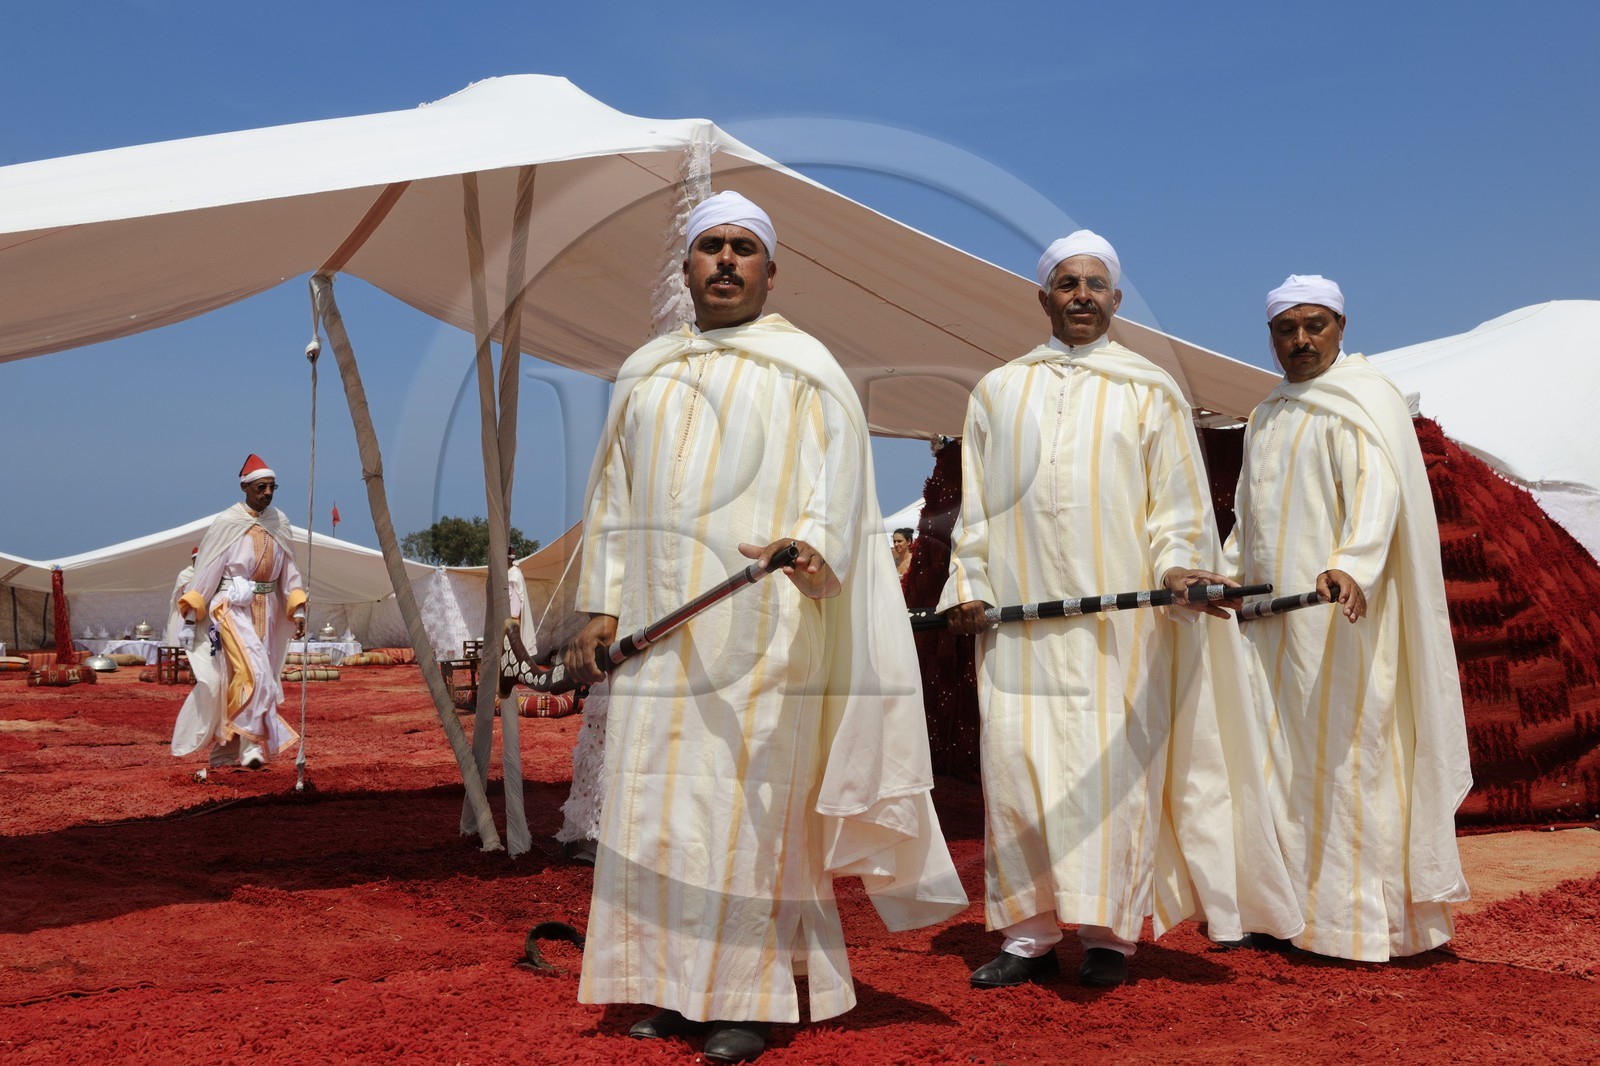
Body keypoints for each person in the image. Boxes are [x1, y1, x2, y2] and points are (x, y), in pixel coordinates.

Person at [564, 190, 966, 1062]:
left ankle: (746, 997)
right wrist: (602, 607)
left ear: (771, 271)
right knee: (658, 812)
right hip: (659, 639)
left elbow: (840, 485)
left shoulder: (806, 366)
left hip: (762, 635)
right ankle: (673, 986)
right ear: (685, 267)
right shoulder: (645, 370)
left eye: (742, 248)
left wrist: (813, 544)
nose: (725, 259)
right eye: (710, 246)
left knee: (745, 814)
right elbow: (614, 501)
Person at [937, 230, 1300, 990]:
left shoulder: (1150, 388)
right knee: (1019, 770)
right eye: (1068, 283)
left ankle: (1109, 935)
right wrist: (966, 586)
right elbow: (977, 511)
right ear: (1044, 297)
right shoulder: (998, 391)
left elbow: (1177, 505)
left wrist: (1177, 566)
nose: (1082, 296)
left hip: (1122, 629)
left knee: (1113, 777)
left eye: (1095, 285)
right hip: (1019, 625)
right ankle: (1028, 934)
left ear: (1116, 299)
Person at [1223, 275, 1471, 961]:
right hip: (1270, 626)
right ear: (1270, 336)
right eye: (1287, 329)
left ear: (1341, 326)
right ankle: (1279, 913)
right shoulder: (1266, 414)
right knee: (1273, 763)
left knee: (1344, 761)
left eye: (1315, 325)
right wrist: (1226, 575)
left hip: (1340, 617)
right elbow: (1250, 514)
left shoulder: (1362, 400)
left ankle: (1355, 925)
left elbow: (1377, 493)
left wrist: (1352, 565)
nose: (1301, 340)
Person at [171, 455, 308, 771]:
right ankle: (249, 746)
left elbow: (290, 571)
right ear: (245, 487)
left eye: (272, 487)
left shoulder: (279, 522)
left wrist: (298, 610)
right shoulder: (227, 523)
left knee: (241, 679)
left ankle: (223, 754)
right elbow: (208, 571)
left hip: (268, 611)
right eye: (261, 487)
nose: (268, 492)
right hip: (230, 607)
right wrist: (190, 619)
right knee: (253, 673)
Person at [162, 546, 198, 647]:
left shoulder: (205, 573)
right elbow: (177, 594)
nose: (197, 561)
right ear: (192, 559)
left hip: (201, 611)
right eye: (195, 558)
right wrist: (183, 608)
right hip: (186, 610)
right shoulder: (184, 574)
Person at [506, 551, 534, 637]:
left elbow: (511, 592)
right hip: (510, 610)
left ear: (510, 560)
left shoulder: (515, 573)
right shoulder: (511, 572)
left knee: (513, 636)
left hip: (514, 610)